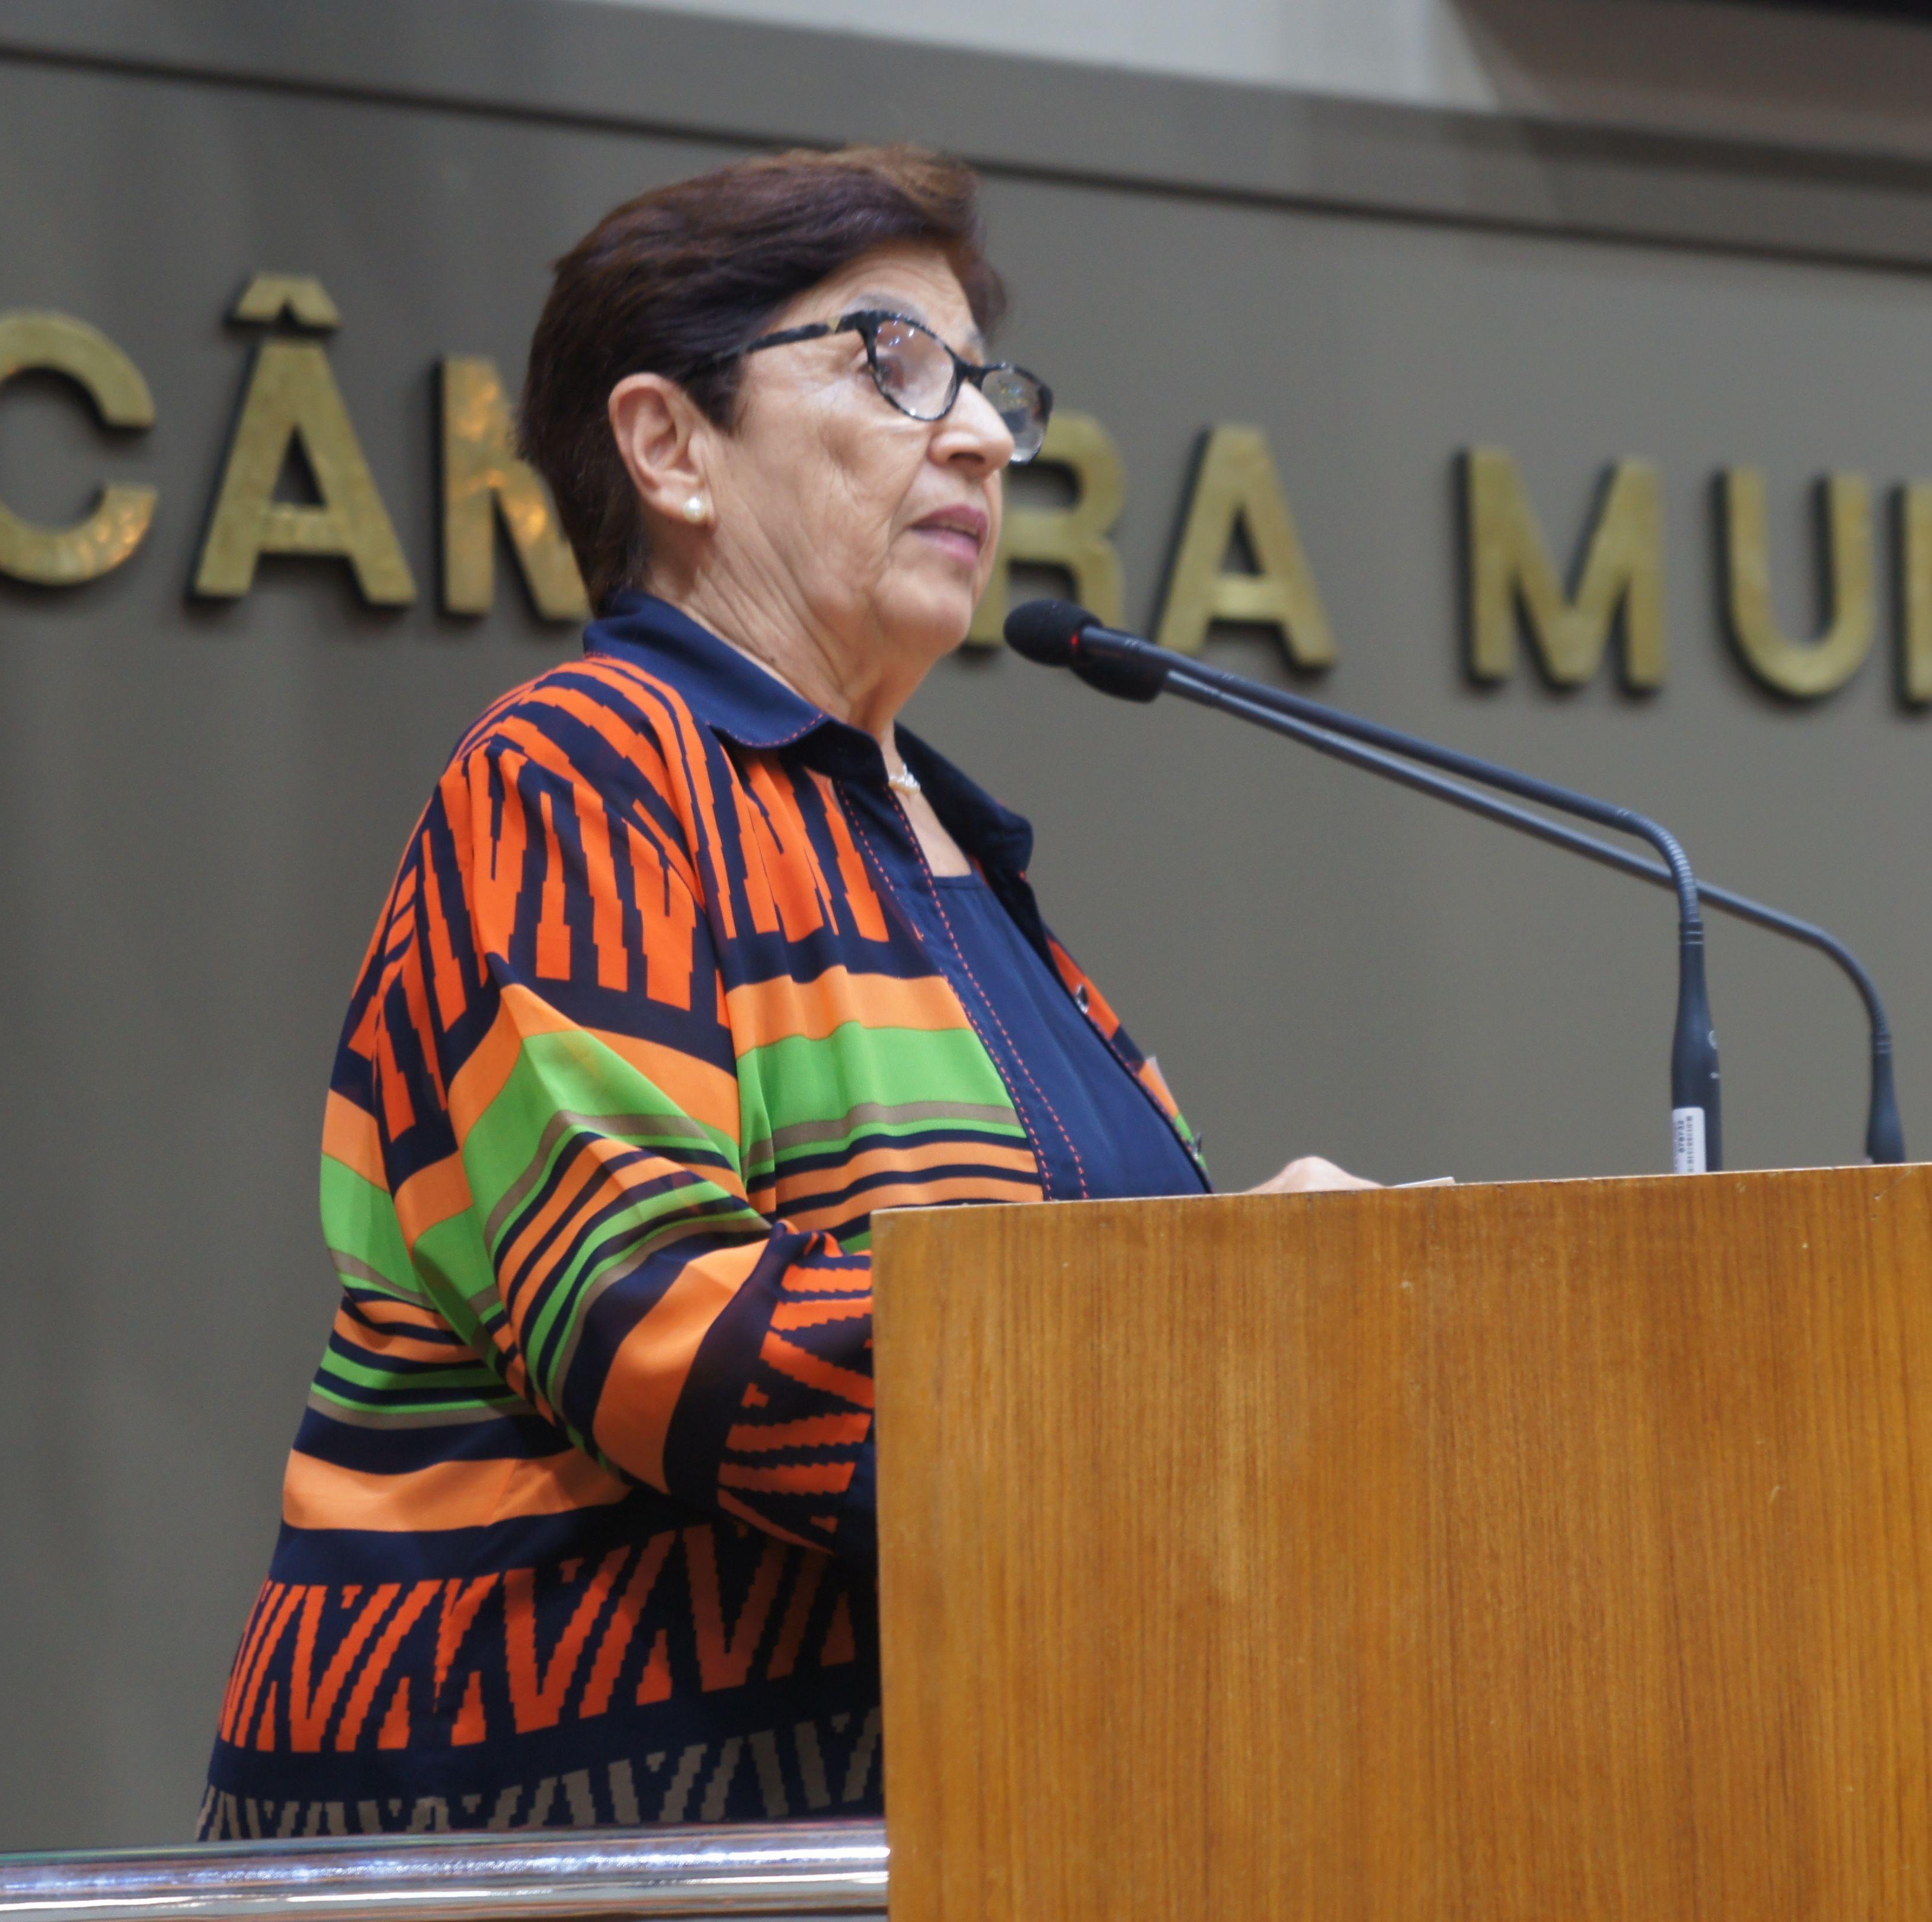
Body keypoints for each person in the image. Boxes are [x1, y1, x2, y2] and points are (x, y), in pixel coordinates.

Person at [198, 144, 1369, 1840]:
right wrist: (1213, 1324)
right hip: (584, 1835)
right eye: (894, 362)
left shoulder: (957, 859)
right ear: (671, 445)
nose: (981, 437)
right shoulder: (578, 775)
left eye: (986, 387)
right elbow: (649, 1310)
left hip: (969, 1815)